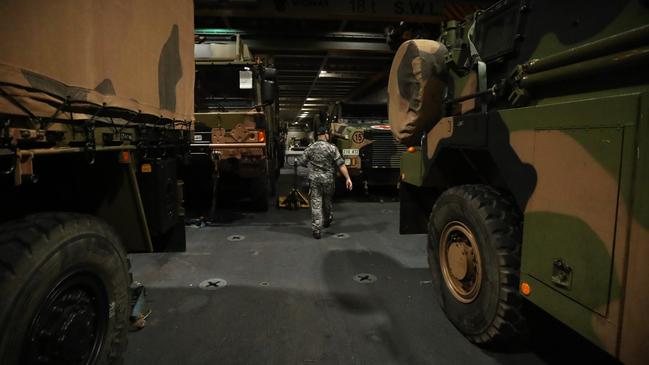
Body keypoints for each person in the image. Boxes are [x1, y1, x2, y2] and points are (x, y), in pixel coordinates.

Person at [298, 127, 352, 239]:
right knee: (327, 202)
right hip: (328, 180)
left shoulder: (310, 148)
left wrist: (311, 164)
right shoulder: (332, 148)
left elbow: (302, 162)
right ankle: (327, 219)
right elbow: (341, 164)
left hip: (315, 181)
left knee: (316, 204)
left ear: (318, 135)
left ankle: (316, 230)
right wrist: (347, 178)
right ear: (326, 135)